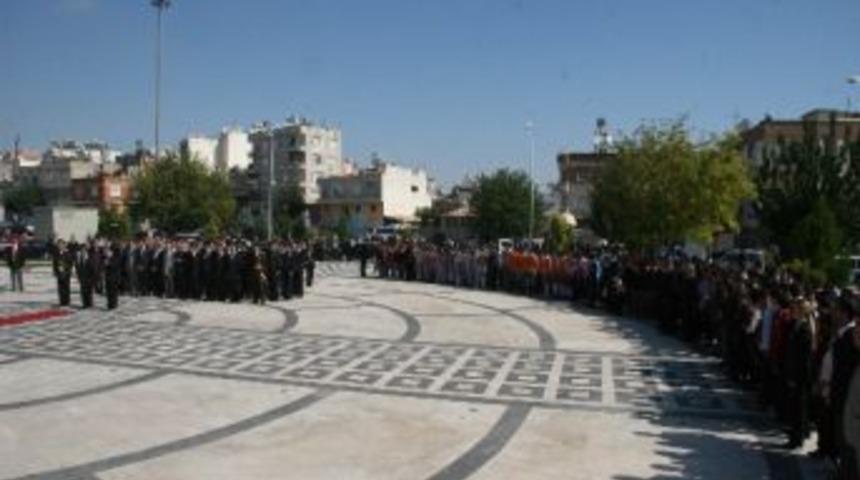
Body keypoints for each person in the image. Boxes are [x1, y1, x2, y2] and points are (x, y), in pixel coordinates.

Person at [52, 239, 74, 306]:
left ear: (64, 245)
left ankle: (67, 301)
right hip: (59, 273)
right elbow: (54, 263)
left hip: (66, 273)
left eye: (61, 244)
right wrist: (55, 271)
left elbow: (70, 263)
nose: (60, 246)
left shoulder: (67, 253)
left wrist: (67, 270)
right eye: (58, 244)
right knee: (60, 288)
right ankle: (62, 301)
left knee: (66, 287)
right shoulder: (56, 253)